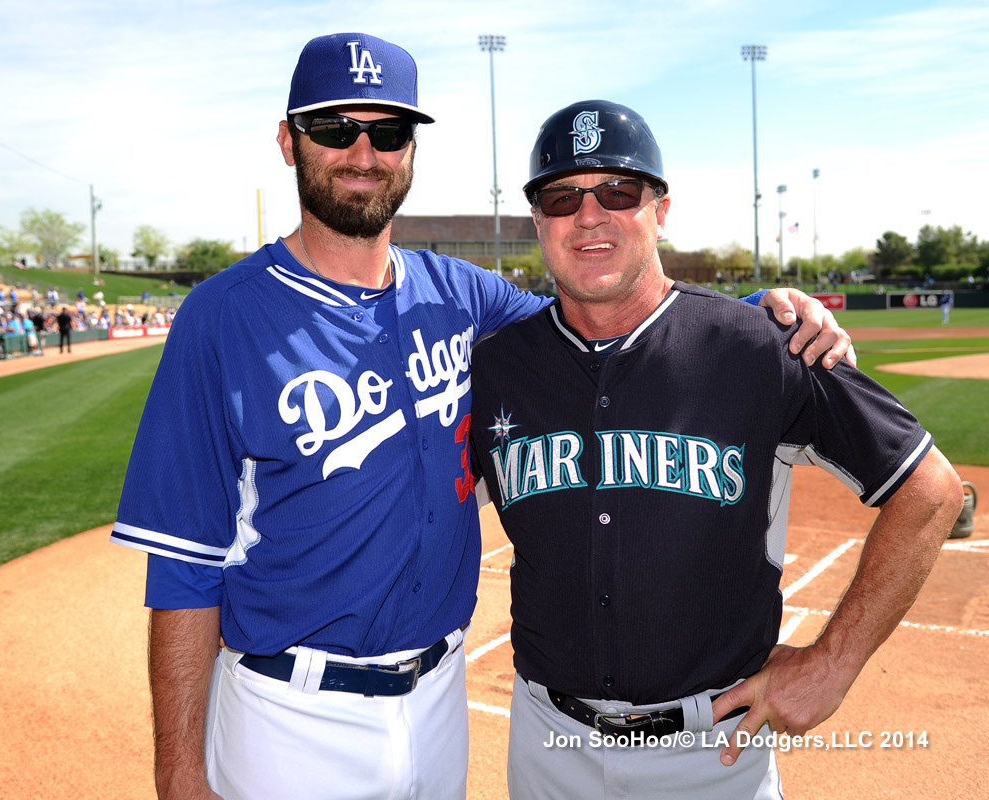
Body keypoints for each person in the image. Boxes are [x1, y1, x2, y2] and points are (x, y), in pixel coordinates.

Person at [110, 37, 852, 800]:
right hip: (289, 716)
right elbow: (183, 565)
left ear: (410, 151)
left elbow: (608, 318)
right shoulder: (221, 319)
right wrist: (178, 773)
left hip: (440, 704)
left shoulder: (464, 297)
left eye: (388, 131)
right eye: (335, 128)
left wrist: (759, 313)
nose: (363, 152)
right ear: (287, 140)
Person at [467, 100, 964, 800]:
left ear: (660, 211)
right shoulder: (495, 366)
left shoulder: (762, 345)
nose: (589, 216)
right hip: (549, 747)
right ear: (538, 221)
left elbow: (931, 489)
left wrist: (834, 663)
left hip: (714, 756)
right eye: (561, 197)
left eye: (618, 191)